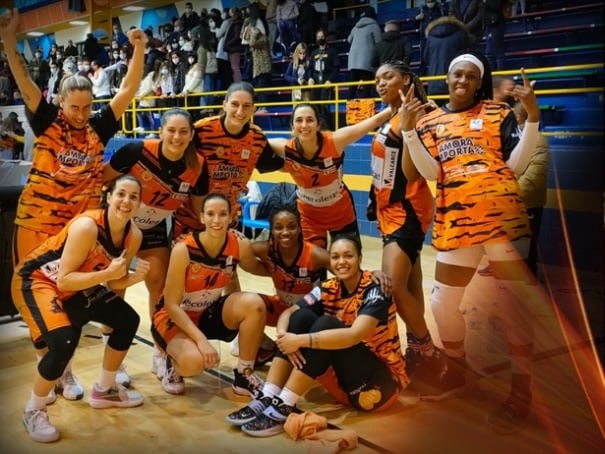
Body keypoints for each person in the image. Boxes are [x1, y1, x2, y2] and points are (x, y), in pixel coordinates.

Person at [0, 8, 146, 398]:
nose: (81, 114)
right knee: (41, 300)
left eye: (87, 106)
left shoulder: (99, 126)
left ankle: (75, 366)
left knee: (74, 297)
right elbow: (24, 79)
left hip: (77, 230)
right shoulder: (46, 120)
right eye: (74, 107)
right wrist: (9, 39)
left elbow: (128, 90)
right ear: (61, 102)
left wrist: (138, 49)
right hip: (36, 225)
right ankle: (57, 372)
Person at [400, 50, 547, 433]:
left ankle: (521, 391)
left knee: (513, 308)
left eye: (470, 76)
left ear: (479, 81)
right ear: (446, 79)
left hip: (503, 219)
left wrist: (532, 116)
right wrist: (408, 130)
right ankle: (460, 370)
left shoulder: (498, 114)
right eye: (456, 75)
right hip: (457, 222)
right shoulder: (431, 120)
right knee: (442, 302)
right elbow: (432, 172)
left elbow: (514, 165)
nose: (462, 81)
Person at [11, 175, 150, 443]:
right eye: (121, 194)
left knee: (127, 319)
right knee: (64, 342)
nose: (126, 201)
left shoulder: (135, 236)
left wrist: (134, 278)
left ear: (139, 204)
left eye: (134, 196)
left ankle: (105, 390)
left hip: (76, 283)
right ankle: (33, 410)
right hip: (36, 281)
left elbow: (113, 278)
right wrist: (107, 274)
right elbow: (64, 279)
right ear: (109, 197)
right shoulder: (87, 226)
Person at [226, 235, 405, 437]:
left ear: (360, 258)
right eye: (336, 257)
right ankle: (268, 396)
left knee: (326, 325)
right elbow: (289, 313)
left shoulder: (375, 288)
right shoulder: (329, 288)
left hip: (380, 387)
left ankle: (285, 405)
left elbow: (355, 335)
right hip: (344, 384)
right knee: (301, 317)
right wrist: (285, 338)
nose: (342, 262)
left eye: (348, 256)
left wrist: (300, 341)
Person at [371, 60, 445, 386]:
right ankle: (418, 350)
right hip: (390, 212)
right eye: (377, 79)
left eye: (388, 76)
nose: (381, 82)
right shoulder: (391, 114)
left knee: (393, 287)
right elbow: (383, 169)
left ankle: (428, 352)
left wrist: (411, 123)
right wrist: (377, 206)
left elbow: (413, 170)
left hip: (409, 211)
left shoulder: (420, 114)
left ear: (406, 78)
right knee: (410, 288)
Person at [151, 193, 270, 396]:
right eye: (211, 214)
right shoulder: (184, 249)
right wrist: (201, 341)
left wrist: (290, 263)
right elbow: (171, 305)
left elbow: (257, 268)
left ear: (232, 217)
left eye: (222, 214)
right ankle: (173, 360)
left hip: (207, 314)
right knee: (193, 364)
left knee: (254, 304)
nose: (216, 220)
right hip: (174, 317)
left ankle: (244, 375)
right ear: (202, 217)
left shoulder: (238, 245)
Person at [103, 109, 207, 324]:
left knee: (159, 281)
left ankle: (159, 340)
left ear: (191, 135)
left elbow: (200, 210)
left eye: (183, 131)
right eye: (171, 130)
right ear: (160, 131)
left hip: (154, 225)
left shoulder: (197, 166)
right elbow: (101, 179)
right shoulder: (136, 151)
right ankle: (109, 336)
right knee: (116, 279)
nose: (176, 137)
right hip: (117, 223)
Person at [269, 102, 392, 250]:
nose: (304, 125)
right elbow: (256, 142)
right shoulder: (286, 148)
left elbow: (371, 122)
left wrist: (396, 106)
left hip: (340, 213)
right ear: (292, 127)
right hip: (309, 216)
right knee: (313, 267)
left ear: (318, 125)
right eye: (299, 120)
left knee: (347, 263)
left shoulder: (335, 141)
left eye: (310, 120)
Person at [173, 81, 283, 239]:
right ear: (224, 105)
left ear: (254, 109)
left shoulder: (256, 139)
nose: (240, 111)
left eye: (246, 106)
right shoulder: (201, 131)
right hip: (189, 221)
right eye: (235, 104)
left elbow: (279, 163)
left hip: (227, 222)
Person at [346, 5, 382, 100]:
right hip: (367, 60)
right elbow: (379, 42)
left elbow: (349, 40)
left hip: (353, 61)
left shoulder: (356, 27)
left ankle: (349, 107)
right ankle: (364, 110)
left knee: (352, 86)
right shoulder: (374, 26)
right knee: (366, 86)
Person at [306, 28, 340, 129]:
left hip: (326, 84)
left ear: (325, 38)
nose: (320, 39)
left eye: (321, 37)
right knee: (314, 108)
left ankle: (328, 129)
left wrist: (330, 80)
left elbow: (336, 68)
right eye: (318, 37)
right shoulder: (314, 53)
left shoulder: (332, 52)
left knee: (325, 108)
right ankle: (316, 129)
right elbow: (309, 69)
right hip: (315, 85)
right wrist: (310, 78)